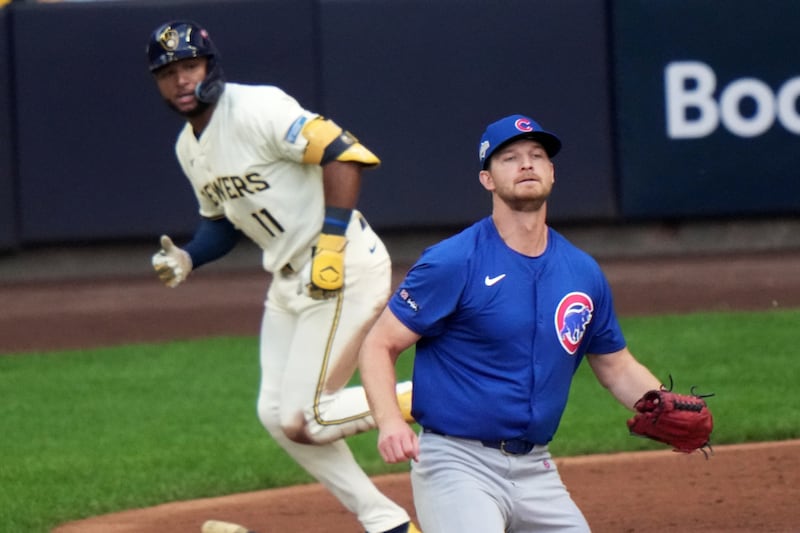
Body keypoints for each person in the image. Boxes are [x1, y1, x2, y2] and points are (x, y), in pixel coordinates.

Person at [145, 20, 418, 533]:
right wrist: (189, 258)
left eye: (189, 66)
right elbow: (221, 221)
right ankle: (388, 522)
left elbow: (344, 152)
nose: (181, 80)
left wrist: (332, 244)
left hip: (342, 266)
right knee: (277, 416)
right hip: (288, 281)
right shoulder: (189, 147)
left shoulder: (255, 108)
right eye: (168, 73)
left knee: (306, 417)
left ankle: (430, 394)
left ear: (209, 66)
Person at [358, 114, 666, 532]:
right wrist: (391, 421)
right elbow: (380, 344)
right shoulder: (453, 261)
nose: (527, 164)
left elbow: (616, 366)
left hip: (536, 469)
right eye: (510, 158)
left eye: (537, 156)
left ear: (552, 173)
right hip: (456, 464)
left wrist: (661, 404)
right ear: (487, 179)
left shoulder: (582, 272)